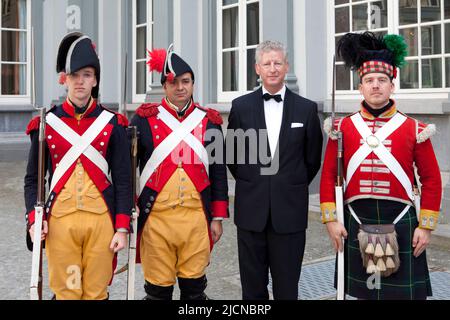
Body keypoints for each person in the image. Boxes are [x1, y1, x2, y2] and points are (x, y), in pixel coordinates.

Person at [320, 31, 442, 300]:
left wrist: (426, 226)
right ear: (360, 87)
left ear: (392, 85)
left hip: (401, 221)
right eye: (369, 80)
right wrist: (331, 220)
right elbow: (329, 176)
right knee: (364, 295)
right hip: (355, 218)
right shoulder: (341, 128)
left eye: (382, 80)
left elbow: (432, 179)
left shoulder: (414, 129)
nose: (376, 85)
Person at [24, 32, 132, 300]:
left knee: (96, 292)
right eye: (74, 75)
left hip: (101, 222)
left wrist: (121, 227)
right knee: (67, 292)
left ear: (95, 80)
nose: (80, 81)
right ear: (65, 79)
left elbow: (123, 179)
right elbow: (32, 180)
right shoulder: (46, 124)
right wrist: (35, 220)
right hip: (61, 223)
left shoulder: (112, 123)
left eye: (86, 75)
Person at [226, 40, 323, 300]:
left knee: (287, 288)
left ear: (286, 66)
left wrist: (286, 182)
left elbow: (312, 160)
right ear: (257, 68)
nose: (272, 68)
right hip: (250, 212)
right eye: (267, 63)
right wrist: (254, 181)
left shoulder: (306, 108)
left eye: (277, 63)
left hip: (289, 213)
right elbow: (232, 157)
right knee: (252, 289)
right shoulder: (240, 107)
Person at [131, 44, 228, 300]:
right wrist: (130, 208)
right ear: (164, 86)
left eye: (186, 81)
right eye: (173, 82)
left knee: (195, 292)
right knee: (157, 292)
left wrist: (217, 216)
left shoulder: (210, 121)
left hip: (196, 218)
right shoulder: (143, 119)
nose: (180, 87)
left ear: (193, 84)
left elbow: (218, 172)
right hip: (157, 219)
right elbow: (127, 171)